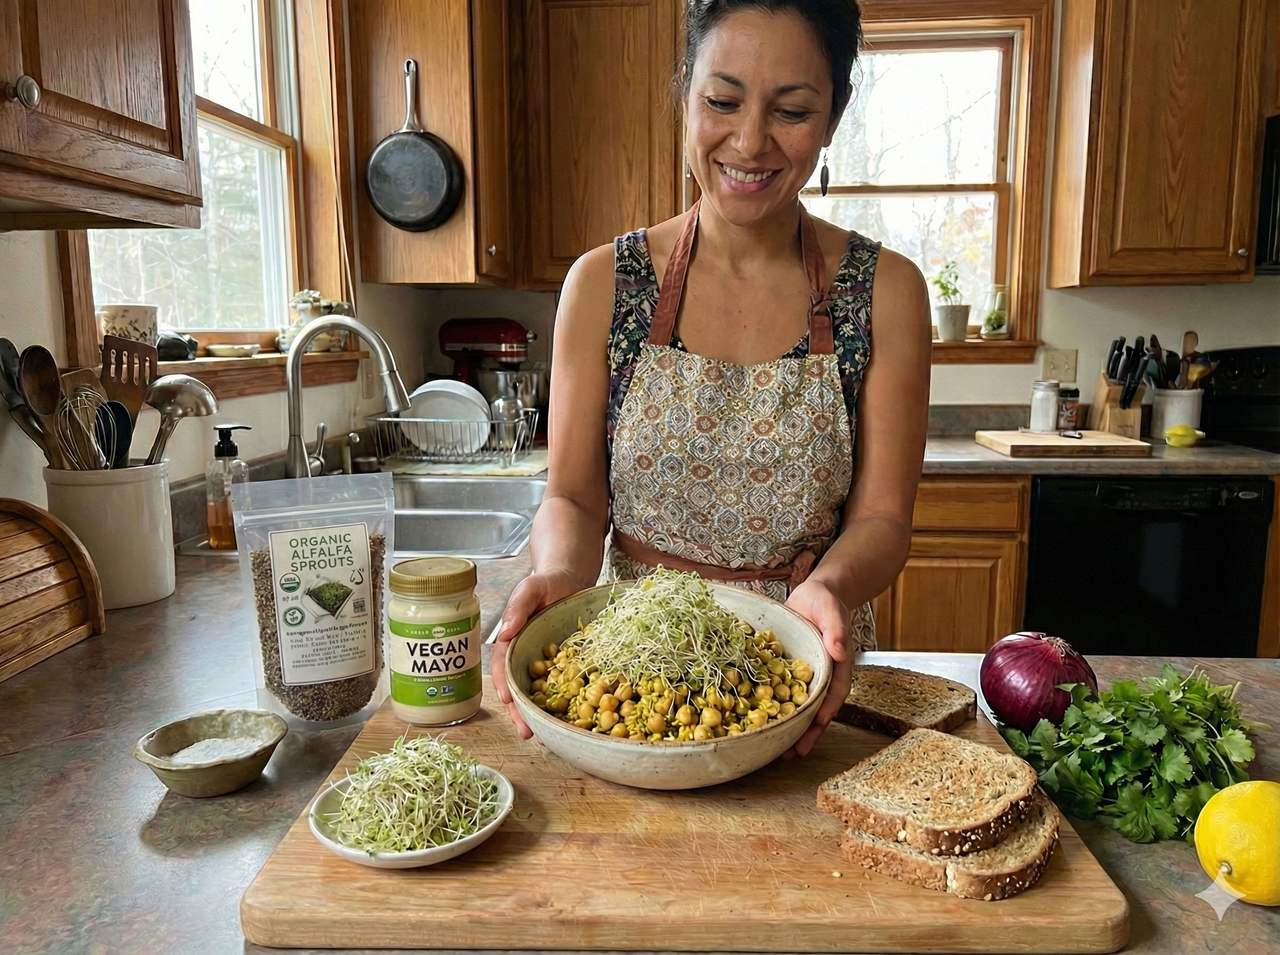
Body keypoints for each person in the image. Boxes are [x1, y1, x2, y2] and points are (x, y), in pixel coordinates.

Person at [493, 0, 930, 757]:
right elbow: (571, 492)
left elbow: (883, 522)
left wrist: (825, 590)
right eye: (722, 101)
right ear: (684, 94)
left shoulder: (883, 291)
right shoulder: (605, 283)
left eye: (791, 110)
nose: (750, 141)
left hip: (803, 674)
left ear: (834, 116)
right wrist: (559, 572)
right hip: (628, 678)